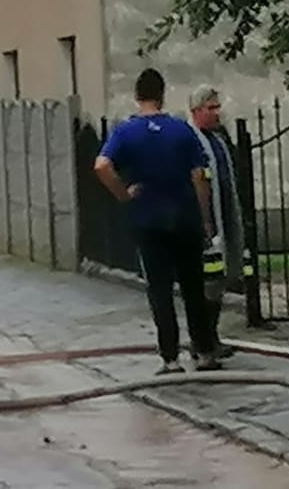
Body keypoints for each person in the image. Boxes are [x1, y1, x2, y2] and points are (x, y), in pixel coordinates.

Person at [94, 69, 221, 373]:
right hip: (185, 218)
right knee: (193, 287)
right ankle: (204, 353)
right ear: (162, 95)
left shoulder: (126, 132)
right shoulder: (181, 130)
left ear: (137, 96)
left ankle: (170, 358)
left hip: (148, 219)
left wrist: (124, 194)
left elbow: (101, 166)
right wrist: (205, 219)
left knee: (160, 289)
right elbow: (199, 176)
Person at [188, 86, 254, 360]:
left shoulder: (218, 140)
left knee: (218, 282)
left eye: (218, 107)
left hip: (224, 219)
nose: (217, 112)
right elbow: (196, 180)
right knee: (207, 283)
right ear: (196, 110)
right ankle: (201, 341)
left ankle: (210, 337)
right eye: (211, 108)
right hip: (205, 225)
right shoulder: (191, 140)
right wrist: (205, 222)